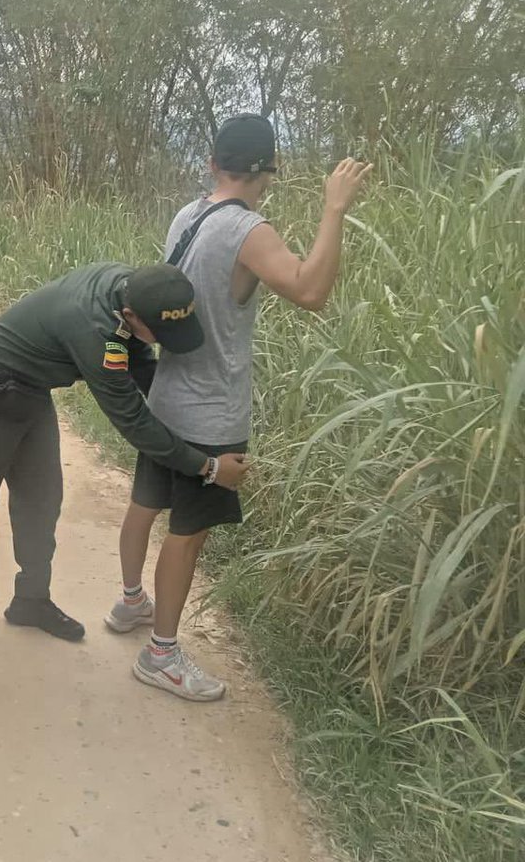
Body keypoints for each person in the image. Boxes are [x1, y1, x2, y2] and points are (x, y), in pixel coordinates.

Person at [106, 114, 374, 702]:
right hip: (211, 416)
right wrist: (334, 211)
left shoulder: (189, 213)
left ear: (212, 163)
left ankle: (131, 604)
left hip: (166, 400)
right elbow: (310, 291)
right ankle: (162, 656)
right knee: (188, 533)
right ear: (267, 171)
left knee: (145, 501)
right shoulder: (251, 231)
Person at [0, 262, 251, 679]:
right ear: (130, 317)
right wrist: (207, 466)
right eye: (160, 334)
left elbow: (141, 360)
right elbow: (132, 420)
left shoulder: (132, 290)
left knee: (41, 504)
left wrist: (190, 417)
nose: (164, 343)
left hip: (31, 394)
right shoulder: (93, 331)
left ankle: (30, 601)